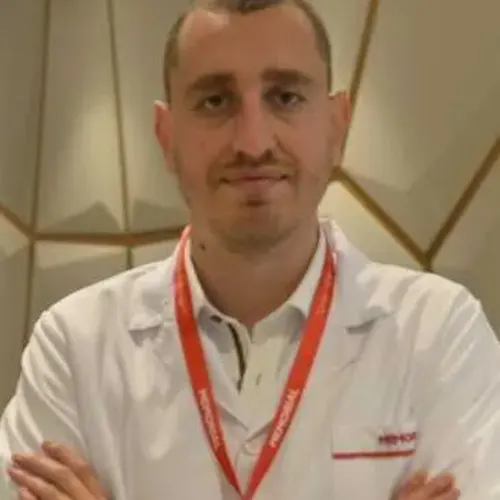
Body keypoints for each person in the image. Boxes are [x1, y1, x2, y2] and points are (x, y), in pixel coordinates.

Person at [1, 0, 500, 498]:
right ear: (166, 135)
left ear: (336, 125)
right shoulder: (74, 346)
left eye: (285, 97)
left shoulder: (439, 334)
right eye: (215, 102)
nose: (253, 142)